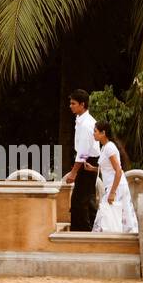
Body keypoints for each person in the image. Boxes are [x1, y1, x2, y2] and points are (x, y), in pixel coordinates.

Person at [62, 89, 99, 231]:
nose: (70, 106)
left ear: (82, 104)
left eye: (73, 103)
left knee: (79, 201)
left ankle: (82, 233)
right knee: (87, 200)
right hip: (88, 161)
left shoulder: (86, 124)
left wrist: (73, 172)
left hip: (87, 162)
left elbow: (83, 153)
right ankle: (94, 229)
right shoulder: (82, 120)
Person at [92, 121, 138, 233]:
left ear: (103, 133)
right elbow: (108, 168)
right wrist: (93, 169)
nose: (93, 134)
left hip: (116, 187)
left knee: (109, 216)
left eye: (95, 131)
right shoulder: (104, 147)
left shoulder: (109, 148)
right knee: (119, 217)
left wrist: (112, 192)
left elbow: (118, 171)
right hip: (113, 186)